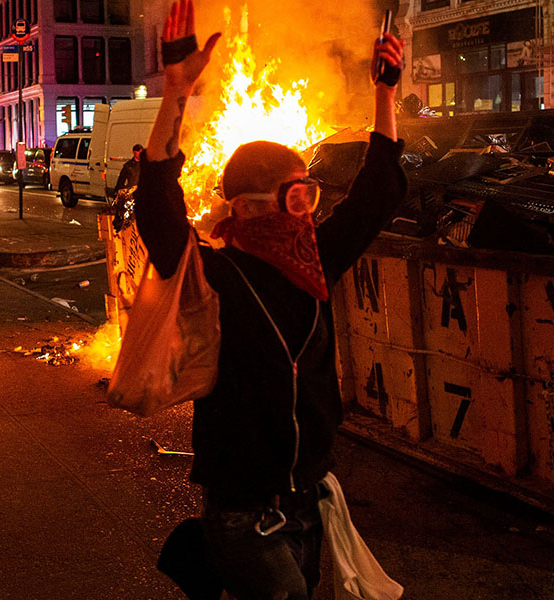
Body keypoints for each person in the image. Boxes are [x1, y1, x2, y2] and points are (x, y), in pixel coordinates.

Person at [133, 1, 406, 598]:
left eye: (310, 196)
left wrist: (385, 94)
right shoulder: (215, 276)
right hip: (242, 518)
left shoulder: (313, 264)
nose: (310, 214)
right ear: (251, 207)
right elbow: (157, 209)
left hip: (309, 504)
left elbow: (377, 193)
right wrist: (174, 93)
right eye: (297, 198)